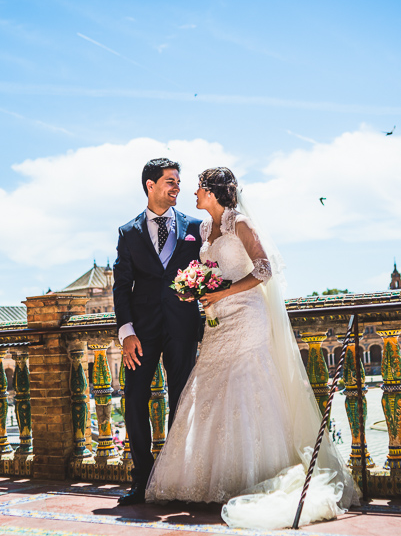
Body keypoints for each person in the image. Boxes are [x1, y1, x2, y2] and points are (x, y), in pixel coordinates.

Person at [146, 167, 359, 529]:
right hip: (217, 321)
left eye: (197, 188)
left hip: (247, 318)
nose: (192, 193)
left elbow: (264, 269)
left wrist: (223, 292)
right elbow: (211, 271)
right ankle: (209, 479)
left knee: (247, 391)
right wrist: (195, 289)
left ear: (212, 193)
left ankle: (251, 477)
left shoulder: (240, 223)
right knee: (210, 394)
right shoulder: (204, 229)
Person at [113, 158, 203, 505]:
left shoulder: (195, 226)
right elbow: (122, 286)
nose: (177, 187)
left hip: (183, 326)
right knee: (135, 399)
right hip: (142, 333)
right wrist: (127, 332)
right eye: (170, 181)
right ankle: (143, 480)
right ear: (150, 185)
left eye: (178, 182)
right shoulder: (128, 232)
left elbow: (210, 268)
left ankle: (176, 477)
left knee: (181, 402)